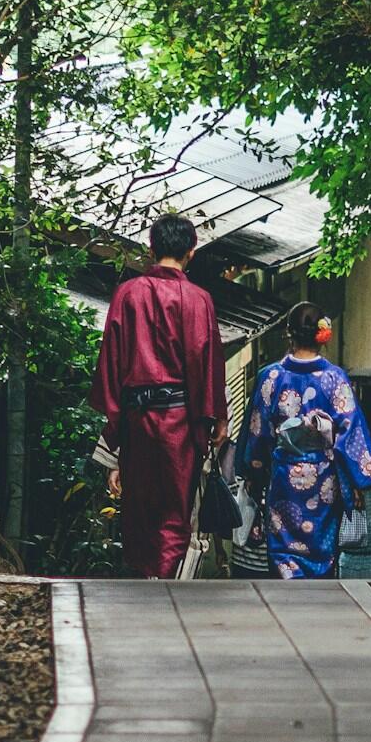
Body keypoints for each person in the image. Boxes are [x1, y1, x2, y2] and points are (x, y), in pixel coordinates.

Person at [91, 212, 227, 579]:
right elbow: (207, 359)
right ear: (191, 252)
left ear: (151, 249)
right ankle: (165, 581)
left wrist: (115, 434)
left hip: (136, 419)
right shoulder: (198, 300)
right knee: (175, 509)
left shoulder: (128, 294)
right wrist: (217, 416)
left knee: (139, 509)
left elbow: (113, 362)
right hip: (180, 420)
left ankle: (148, 581)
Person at [238, 302, 371, 580]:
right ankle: (320, 598)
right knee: (322, 550)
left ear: (288, 333)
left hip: (283, 481)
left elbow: (258, 432)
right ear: (321, 334)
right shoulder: (334, 379)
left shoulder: (271, 377)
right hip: (323, 481)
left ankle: (286, 591)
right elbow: (350, 431)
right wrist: (361, 478)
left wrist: (254, 470)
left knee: (283, 550)